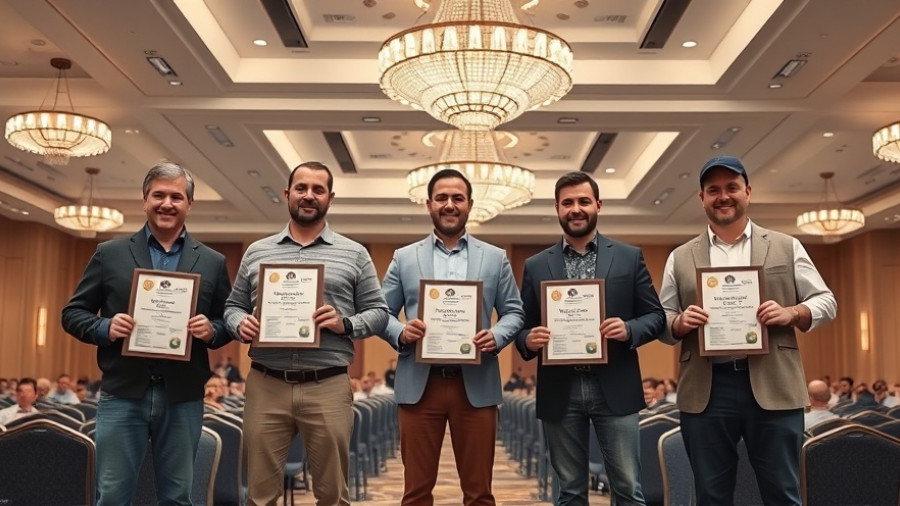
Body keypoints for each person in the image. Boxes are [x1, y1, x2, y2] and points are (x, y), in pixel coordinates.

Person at [657, 155, 837, 506]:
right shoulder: (680, 256)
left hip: (775, 385)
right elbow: (661, 318)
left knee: (783, 493)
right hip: (707, 390)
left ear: (748, 192)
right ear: (702, 198)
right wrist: (678, 322)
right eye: (713, 190)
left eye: (731, 188)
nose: (723, 196)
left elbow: (827, 301)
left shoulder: (786, 245)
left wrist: (792, 312)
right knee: (710, 495)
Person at [62, 160, 232, 506]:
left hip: (183, 396)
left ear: (189, 204)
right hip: (123, 393)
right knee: (112, 496)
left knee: (178, 497)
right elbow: (72, 314)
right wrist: (105, 327)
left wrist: (211, 329)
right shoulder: (109, 253)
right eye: (159, 195)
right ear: (144, 200)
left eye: (176, 196)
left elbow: (227, 320)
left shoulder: (212, 261)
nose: (167, 203)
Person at [224, 161, 388, 506]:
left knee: (332, 495)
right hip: (267, 383)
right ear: (287, 194)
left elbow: (379, 313)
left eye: (318, 189)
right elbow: (231, 307)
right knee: (260, 495)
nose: (308, 196)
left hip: (326, 384)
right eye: (301, 188)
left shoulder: (355, 253)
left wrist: (345, 323)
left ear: (330, 197)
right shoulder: (257, 251)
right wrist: (240, 323)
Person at [516, 171, 665, 506]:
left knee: (627, 488)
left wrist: (629, 329)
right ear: (557, 209)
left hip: (616, 385)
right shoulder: (537, 265)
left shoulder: (629, 257)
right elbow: (521, 327)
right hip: (560, 389)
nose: (576, 209)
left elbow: (656, 317)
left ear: (598, 205)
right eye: (567, 203)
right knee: (568, 491)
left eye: (583, 201)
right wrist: (529, 339)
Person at [379, 168, 525, 506]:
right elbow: (380, 313)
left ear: (470, 204)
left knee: (479, 493)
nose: (449, 204)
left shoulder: (495, 257)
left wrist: (497, 336)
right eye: (441, 197)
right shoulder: (404, 257)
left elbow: (515, 312)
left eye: (457, 198)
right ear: (429, 204)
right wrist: (401, 332)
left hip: (476, 384)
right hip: (419, 384)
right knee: (415, 493)